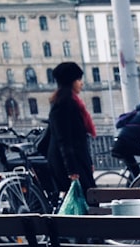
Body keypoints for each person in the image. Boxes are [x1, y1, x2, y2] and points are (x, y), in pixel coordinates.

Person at [46, 61, 96, 197]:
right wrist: (72, 171)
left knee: (89, 201)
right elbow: (64, 140)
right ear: (70, 81)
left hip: (78, 161)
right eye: (78, 79)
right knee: (87, 201)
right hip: (72, 164)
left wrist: (88, 162)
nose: (81, 83)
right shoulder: (64, 105)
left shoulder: (71, 102)